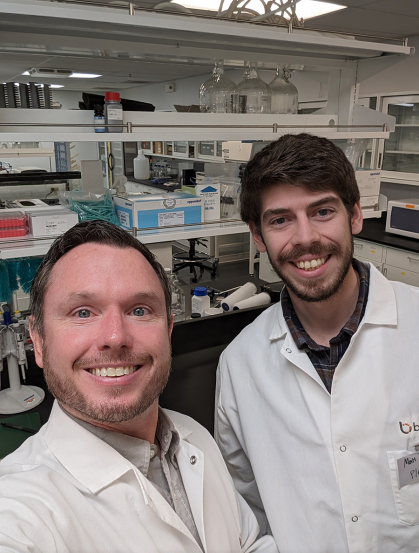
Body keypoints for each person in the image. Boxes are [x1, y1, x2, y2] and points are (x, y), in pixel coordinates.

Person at [0, 220, 277, 553]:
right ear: (38, 341)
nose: (115, 337)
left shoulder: (193, 438)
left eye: (140, 310)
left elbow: (248, 544)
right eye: (83, 312)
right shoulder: (20, 511)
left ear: (168, 330)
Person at [215, 133, 419, 553]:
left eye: (322, 210)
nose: (305, 238)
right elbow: (244, 511)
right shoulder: (240, 364)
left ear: (356, 215)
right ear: (258, 236)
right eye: (280, 220)